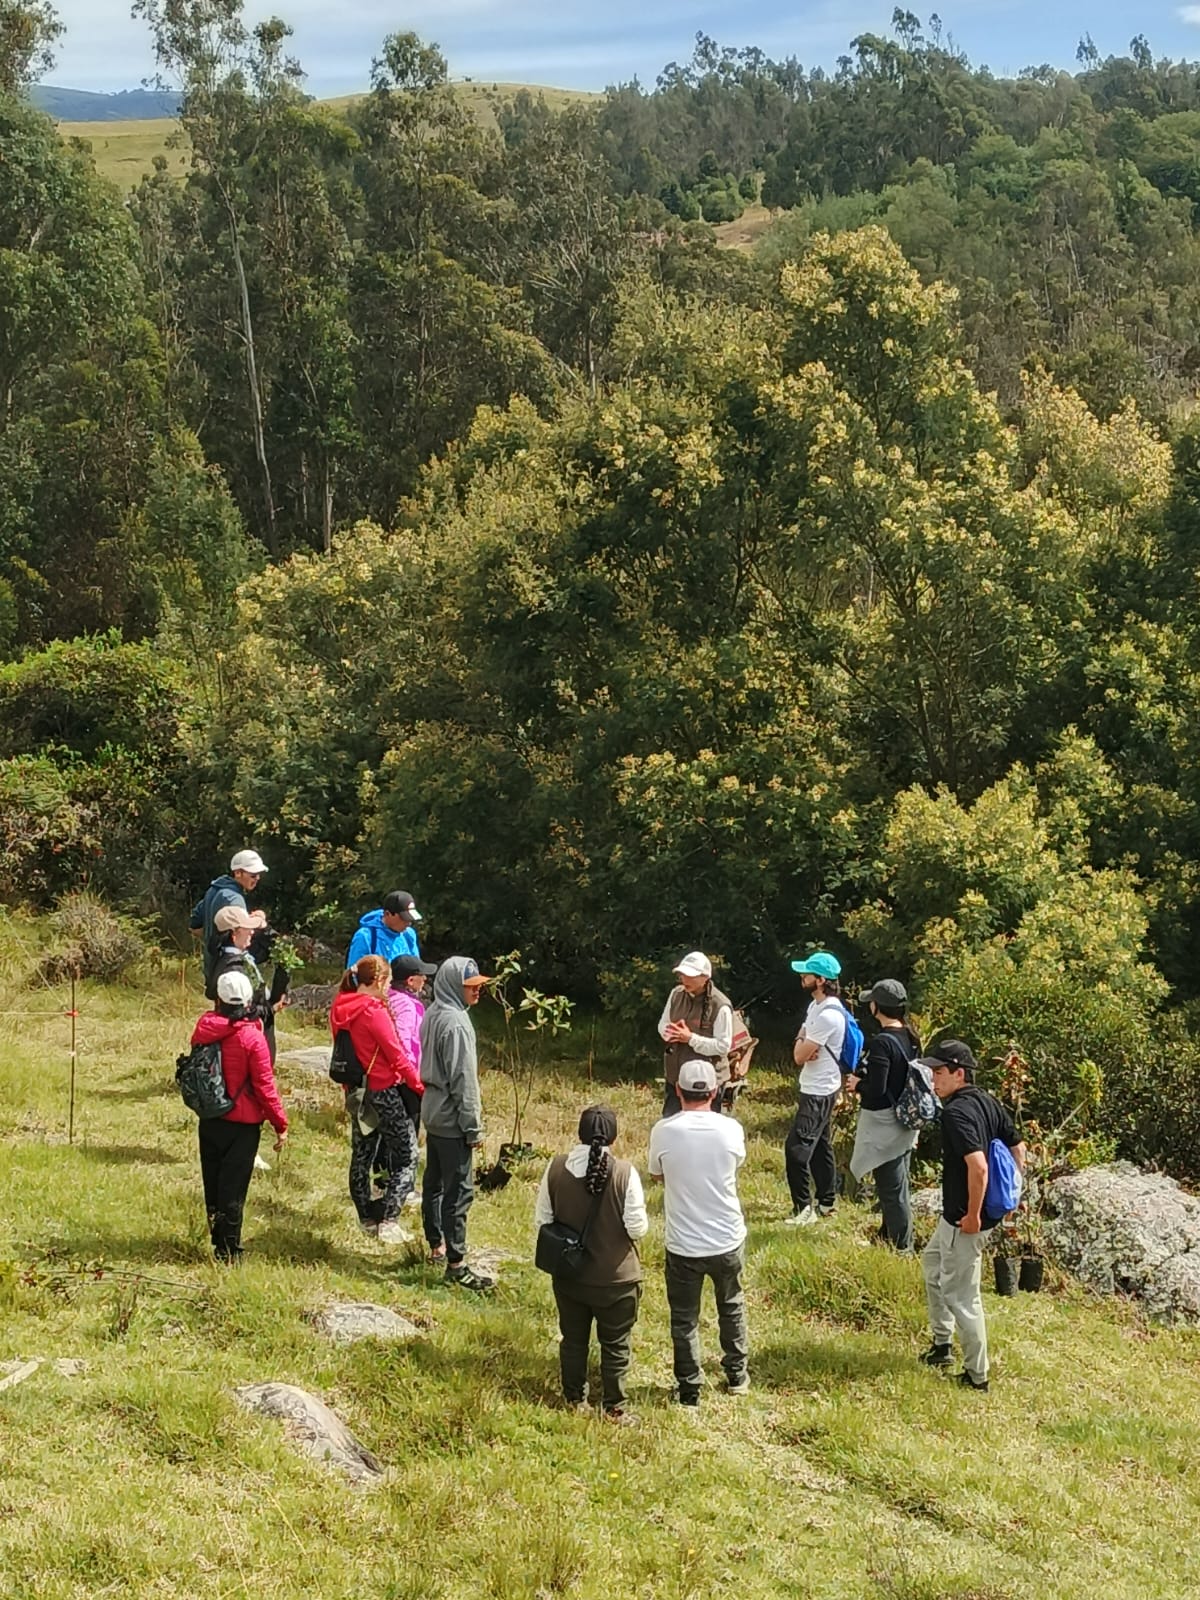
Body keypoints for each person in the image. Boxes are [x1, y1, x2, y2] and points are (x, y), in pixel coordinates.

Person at [920, 1040, 1026, 1392]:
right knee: (933, 1263)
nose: (933, 1079)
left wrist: (973, 1216)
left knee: (963, 1296)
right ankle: (941, 1345)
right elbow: (1018, 1146)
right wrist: (1011, 1193)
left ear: (959, 1073)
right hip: (968, 1215)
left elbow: (978, 1167)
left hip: (964, 1218)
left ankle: (977, 1376)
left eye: (939, 1072)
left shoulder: (956, 1112)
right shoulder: (988, 1101)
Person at [534, 1105, 648, 1422]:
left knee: (573, 1340)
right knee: (615, 1344)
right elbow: (638, 1228)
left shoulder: (555, 1168)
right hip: (616, 1279)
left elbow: (542, 1220)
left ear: (579, 1133)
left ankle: (574, 1398)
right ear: (614, 1136)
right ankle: (615, 1407)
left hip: (570, 1276)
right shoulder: (625, 1172)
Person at [648, 1058, 749, 1405]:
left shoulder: (663, 1130)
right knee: (731, 1305)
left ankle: (689, 1389)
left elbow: (656, 1174)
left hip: (684, 1244)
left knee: (685, 1318)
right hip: (727, 1237)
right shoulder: (731, 1129)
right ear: (715, 1091)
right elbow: (737, 1162)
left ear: (678, 1091)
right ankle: (737, 1375)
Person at [189, 969, 287, 1262]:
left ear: (218, 998)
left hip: (210, 1115)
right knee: (234, 1186)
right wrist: (280, 1123)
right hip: (243, 1123)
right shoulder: (252, 1038)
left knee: (213, 1179)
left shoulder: (204, 1027)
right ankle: (228, 1250)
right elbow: (264, 1086)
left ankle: (216, 1235)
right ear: (247, 1001)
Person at [329, 954, 423, 1244]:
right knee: (408, 1154)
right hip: (382, 1089)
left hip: (356, 1090)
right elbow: (396, 1054)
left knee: (362, 1154)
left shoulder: (340, 1006)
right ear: (380, 980)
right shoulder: (373, 1011)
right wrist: (418, 1086)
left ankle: (366, 1219)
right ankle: (390, 1221)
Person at [420, 956, 494, 1290]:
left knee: (433, 1184)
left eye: (479, 985)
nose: (478, 991)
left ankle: (435, 1245)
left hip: (432, 1112)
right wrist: (473, 1127)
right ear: (454, 985)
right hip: (451, 1118)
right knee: (459, 1191)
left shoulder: (433, 1012)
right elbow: (464, 1081)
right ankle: (457, 1263)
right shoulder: (457, 1024)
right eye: (471, 986)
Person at [846, 978, 922, 1252]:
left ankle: (904, 1248)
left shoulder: (882, 1043)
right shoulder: (912, 1038)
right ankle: (887, 1237)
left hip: (884, 1124)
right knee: (898, 1183)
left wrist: (858, 1085)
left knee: (891, 1189)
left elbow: (877, 1088)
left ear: (877, 1007)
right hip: (907, 1121)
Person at [784, 950, 847, 1225]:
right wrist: (804, 1042)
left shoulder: (829, 1015)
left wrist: (803, 1045)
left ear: (820, 980)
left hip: (820, 1090)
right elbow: (801, 1039)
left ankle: (803, 1209)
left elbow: (798, 1056)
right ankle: (827, 1202)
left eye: (807, 973)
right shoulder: (815, 1007)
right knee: (821, 1146)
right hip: (815, 1086)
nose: (802, 976)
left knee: (796, 1149)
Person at [656, 952, 734, 1118]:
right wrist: (671, 1032)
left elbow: (723, 1046)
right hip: (676, 1078)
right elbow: (663, 1024)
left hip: (707, 1083)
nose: (685, 979)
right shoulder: (676, 994)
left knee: (706, 1130)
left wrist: (689, 1038)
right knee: (671, 1123)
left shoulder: (720, 1005)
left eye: (691, 976)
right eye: (683, 974)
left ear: (705, 977)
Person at [208, 905, 285, 1064]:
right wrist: (272, 1009)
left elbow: (276, 948)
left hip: (252, 1038)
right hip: (248, 1045)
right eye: (247, 928)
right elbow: (239, 1013)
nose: (252, 932)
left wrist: (265, 928)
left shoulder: (236, 955)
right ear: (234, 935)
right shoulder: (232, 970)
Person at [189, 850, 269, 991]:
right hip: (230, 971)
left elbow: (194, 926)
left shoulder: (213, 891)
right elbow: (242, 933)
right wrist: (259, 918)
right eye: (253, 874)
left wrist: (211, 935)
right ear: (238, 873)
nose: (257, 878)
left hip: (211, 968)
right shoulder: (234, 898)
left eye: (259, 874)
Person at [345, 890, 423, 969]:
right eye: (404, 918)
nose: (408, 923)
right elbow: (354, 973)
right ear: (387, 914)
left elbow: (416, 968)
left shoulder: (409, 934)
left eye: (410, 919)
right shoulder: (366, 937)